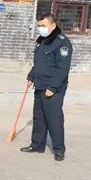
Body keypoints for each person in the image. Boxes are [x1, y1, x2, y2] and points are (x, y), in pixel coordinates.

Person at [21, 13, 72, 161]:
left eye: (43, 25)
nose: (40, 28)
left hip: (52, 87)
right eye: (39, 25)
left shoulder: (62, 43)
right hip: (40, 84)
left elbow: (62, 69)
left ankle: (59, 149)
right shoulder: (42, 40)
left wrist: (52, 87)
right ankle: (37, 145)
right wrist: (31, 76)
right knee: (39, 117)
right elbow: (40, 62)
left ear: (53, 26)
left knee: (54, 119)